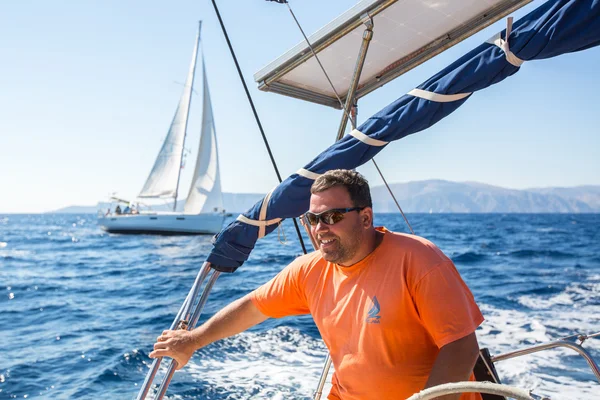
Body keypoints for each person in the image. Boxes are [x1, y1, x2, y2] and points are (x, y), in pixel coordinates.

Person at [150, 169, 484, 400]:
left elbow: (461, 347)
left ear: (365, 217)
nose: (319, 228)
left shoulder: (419, 259)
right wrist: (194, 339)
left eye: (333, 216)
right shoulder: (309, 271)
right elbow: (254, 307)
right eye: (312, 218)